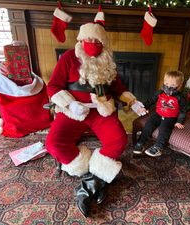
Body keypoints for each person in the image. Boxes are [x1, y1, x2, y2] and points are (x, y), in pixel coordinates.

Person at [45, 15, 145, 217]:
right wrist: (70, 104)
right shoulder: (68, 59)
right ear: (80, 41)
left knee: (118, 140)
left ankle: (88, 185)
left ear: (103, 44)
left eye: (96, 41)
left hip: (101, 110)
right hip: (74, 110)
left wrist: (133, 102)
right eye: (87, 40)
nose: (91, 45)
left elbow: (118, 88)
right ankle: (92, 174)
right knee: (54, 144)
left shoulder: (107, 61)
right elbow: (53, 86)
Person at [133, 71, 187, 157]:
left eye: (172, 85)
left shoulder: (180, 97)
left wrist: (179, 121)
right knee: (149, 124)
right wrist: (145, 107)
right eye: (166, 83)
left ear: (179, 85)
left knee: (164, 128)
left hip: (170, 117)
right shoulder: (160, 92)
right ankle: (140, 143)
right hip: (158, 114)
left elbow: (183, 111)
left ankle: (158, 147)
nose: (168, 86)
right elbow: (151, 100)